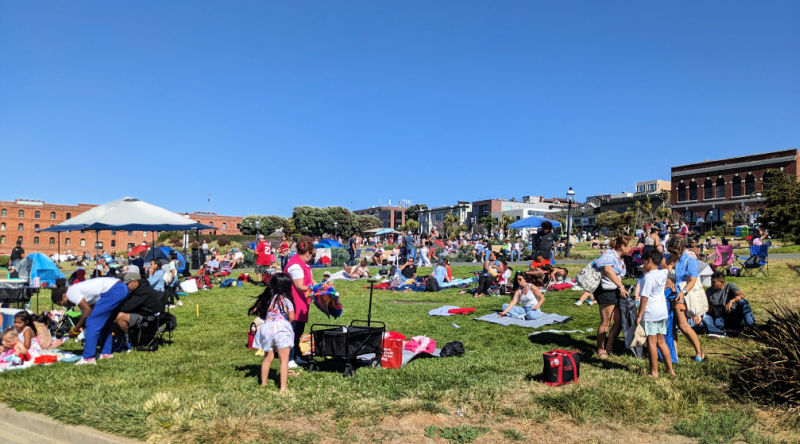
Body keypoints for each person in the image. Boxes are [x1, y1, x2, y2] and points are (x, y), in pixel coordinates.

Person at [51, 274, 134, 364]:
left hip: (113, 290)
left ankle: (88, 358)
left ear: (64, 296)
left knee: (92, 322)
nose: (66, 306)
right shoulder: (81, 294)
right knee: (106, 323)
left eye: (63, 303)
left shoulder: (70, 292)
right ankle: (106, 353)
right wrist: (77, 330)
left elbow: (88, 312)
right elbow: (87, 314)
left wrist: (75, 329)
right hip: (122, 288)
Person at [249, 273, 296, 393]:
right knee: (284, 360)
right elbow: (292, 318)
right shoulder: (287, 301)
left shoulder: (269, 299)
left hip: (267, 329)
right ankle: (283, 389)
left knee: (267, 358)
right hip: (281, 329)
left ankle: (263, 384)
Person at [635, 248, 675, 377]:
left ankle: (654, 371)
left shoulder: (647, 278)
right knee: (661, 342)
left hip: (650, 313)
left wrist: (639, 314)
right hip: (662, 312)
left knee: (651, 342)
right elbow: (666, 267)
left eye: (644, 261)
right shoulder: (662, 273)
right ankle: (670, 369)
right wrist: (661, 259)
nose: (643, 264)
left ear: (649, 261)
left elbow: (644, 298)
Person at [665, 236, 705, 362]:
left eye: (675, 252)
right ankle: (673, 355)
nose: (672, 254)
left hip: (680, 295)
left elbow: (692, 280)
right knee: (670, 327)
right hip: (666, 296)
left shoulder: (689, 261)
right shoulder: (666, 259)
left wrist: (683, 292)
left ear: (681, 249)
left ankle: (699, 352)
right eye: (670, 251)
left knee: (683, 325)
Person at [593, 235, 631, 359]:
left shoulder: (620, 258)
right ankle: (600, 349)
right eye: (629, 246)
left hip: (616, 290)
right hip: (606, 291)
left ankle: (609, 346)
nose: (631, 249)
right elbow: (608, 270)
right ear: (622, 246)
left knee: (618, 321)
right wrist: (621, 286)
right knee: (606, 321)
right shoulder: (609, 254)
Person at [283, 236, 315, 369]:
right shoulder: (295, 265)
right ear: (307, 253)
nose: (312, 257)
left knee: (298, 331)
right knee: (291, 331)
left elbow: (309, 281)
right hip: (293, 302)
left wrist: (320, 286)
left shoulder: (304, 265)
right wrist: (314, 290)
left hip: (302, 303)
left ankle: (296, 355)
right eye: (312, 254)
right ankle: (289, 358)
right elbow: (299, 286)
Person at [114, 272, 165, 350]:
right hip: (142, 313)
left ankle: (126, 342)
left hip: (150, 318)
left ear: (134, 282)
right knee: (114, 315)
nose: (126, 287)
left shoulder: (142, 291)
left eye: (127, 284)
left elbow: (127, 307)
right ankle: (117, 340)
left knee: (119, 316)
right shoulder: (138, 288)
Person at [700, 271, 754, 337]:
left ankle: (751, 327)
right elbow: (707, 307)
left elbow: (741, 295)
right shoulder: (709, 291)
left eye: (713, 282)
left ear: (722, 282)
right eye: (711, 281)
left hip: (734, 315)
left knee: (743, 302)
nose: (711, 284)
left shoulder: (729, 286)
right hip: (721, 318)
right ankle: (717, 331)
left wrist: (731, 301)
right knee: (705, 316)